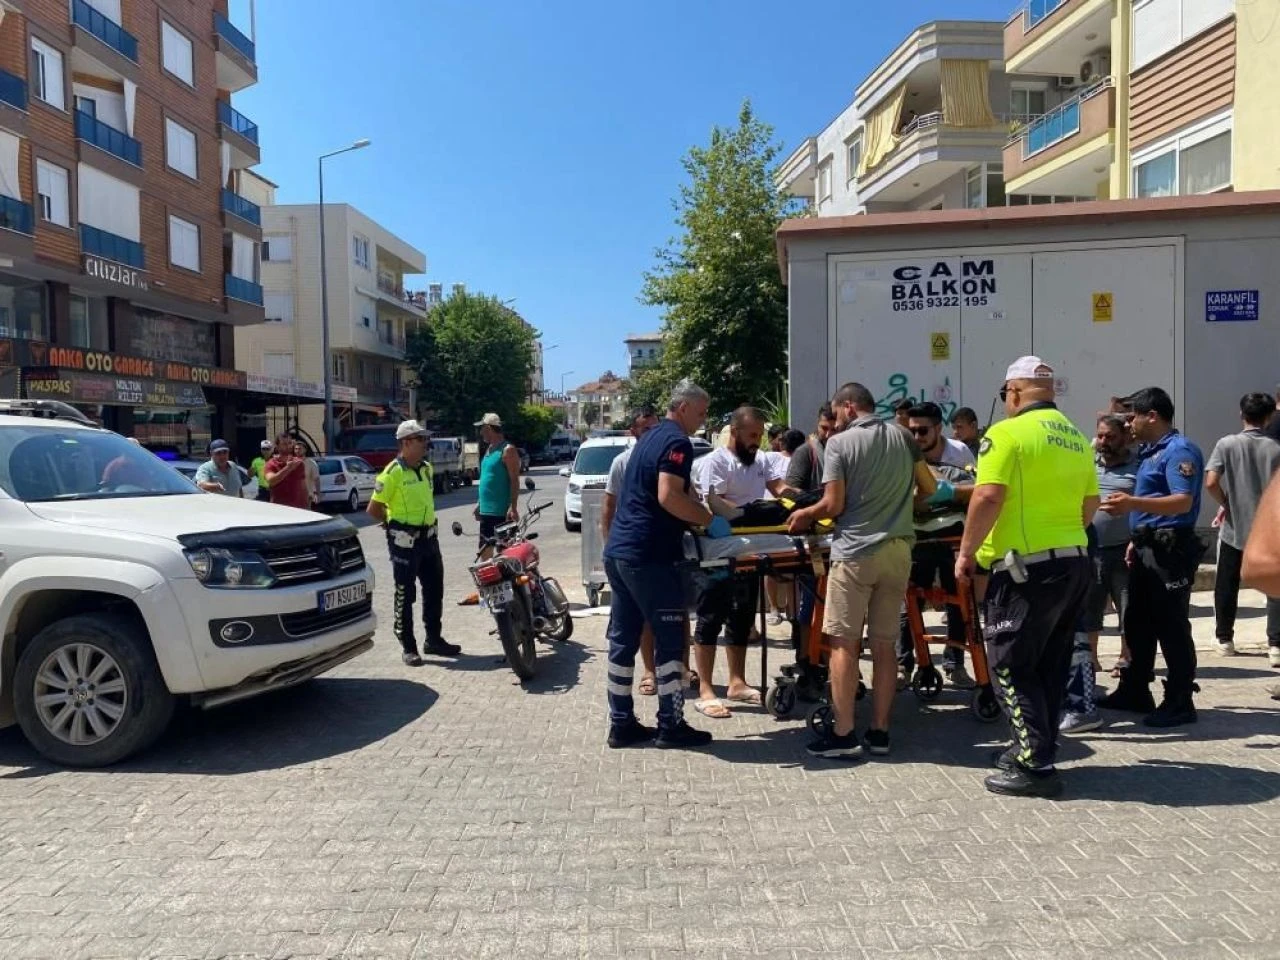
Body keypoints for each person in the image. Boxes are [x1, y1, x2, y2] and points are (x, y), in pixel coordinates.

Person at [955, 357, 1096, 798]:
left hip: (1023, 569)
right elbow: (1090, 504)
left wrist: (967, 552)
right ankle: (1034, 747)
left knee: (1011, 665)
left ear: (1013, 393)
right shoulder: (1075, 438)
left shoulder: (1006, 432)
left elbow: (989, 494)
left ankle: (1034, 764)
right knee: (1049, 665)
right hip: (1073, 560)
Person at [787, 382, 939, 760]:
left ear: (849, 407)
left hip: (855, 552)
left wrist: (805, 513)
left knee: (843, 643)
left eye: (837, 413)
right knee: (885, 645)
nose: (835, 421)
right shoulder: (904, 437)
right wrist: (904, 507)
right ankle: (881, 731)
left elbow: (833, 504)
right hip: (899, 551)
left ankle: (843, 733)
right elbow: (931, 488)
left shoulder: (839, 444)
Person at [603, 379, 725, 750]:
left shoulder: (649, 437)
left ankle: (621, 723)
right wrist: (709, 521)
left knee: (623, 641)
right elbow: (669, 496)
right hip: (651, 556)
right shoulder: (676, 441)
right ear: (684, 407)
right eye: (701, 414)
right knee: (671, 638)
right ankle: (670, 725)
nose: (702, 423)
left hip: (621, 553)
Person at [1096, 386, 1206, 727]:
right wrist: (1135, 535)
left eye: (1132, 417)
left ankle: (1180, 700)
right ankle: (1135, 689)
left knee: (1171, 624)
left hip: (1169, 549)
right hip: (1146, 546)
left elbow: (1181, 501)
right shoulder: (1149, 451)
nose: (1128, 425)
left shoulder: (1178, 451)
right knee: (1137, 621)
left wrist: (1131, 505)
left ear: (1152, 416)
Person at [692, 406, 789, 718]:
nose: (756, 442)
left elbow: (779, 489)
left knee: (743, 617)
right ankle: (706, 688)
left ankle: (737, 682)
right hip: (720, 553)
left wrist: (800, 501)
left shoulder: (760, 460)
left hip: (750, 550)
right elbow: (715, 501)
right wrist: (747, 513)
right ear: (733, 432)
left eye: (759, 436)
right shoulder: (715, 462)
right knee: (710, 618)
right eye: (751, 435)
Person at [897, 402, 976, 690]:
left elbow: (978, 490)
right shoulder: (903, 452)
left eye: (922, 431)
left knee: (958, 601)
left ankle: (955, 662)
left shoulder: (959, 453)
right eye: (911, 431)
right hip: (916, 540)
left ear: (938, 429)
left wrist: (947, 491)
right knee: (909, 603)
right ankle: (903, 665)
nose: (916, 437)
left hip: (953, 540)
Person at [368, 420, 460, 665]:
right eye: (421, 439)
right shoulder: (391, 473)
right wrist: (391, 525)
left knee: (434, 590)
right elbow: (374, 508)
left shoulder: (427, 468)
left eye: (425, 438)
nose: (425, 443)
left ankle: (433, 640)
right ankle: (408, 646)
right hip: (404, 543)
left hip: (429, 538)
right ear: (406, 443)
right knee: (404, 593)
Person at [1206, 393, 1280, 663]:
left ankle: (1224, 638)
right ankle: (1276, 643)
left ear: (1242, 414)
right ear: (1269, 416)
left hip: (1234, 527)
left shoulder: (1226, 444)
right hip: (1269, 528)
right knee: (1275, 584)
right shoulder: (1276, 448)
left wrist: (1226, 502)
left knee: (1226, 583)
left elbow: (1211, 482)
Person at [602, 406, 661, 691]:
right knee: (641, 617)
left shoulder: (668, 458)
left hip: (665, 548)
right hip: (632, 553)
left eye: (655, 427)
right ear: (633, 432)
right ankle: (649, 671)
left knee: (677, 613)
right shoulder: (621, 463)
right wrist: (609, 548)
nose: (652, 433)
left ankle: (683, 669)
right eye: (646, 428)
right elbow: (608, 508)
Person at [1086, 414, 1139, 681]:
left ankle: (1125, 657)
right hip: (1092, 548)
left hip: (1124, 550)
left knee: (1128, 609)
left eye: (1111, 437)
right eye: (1101, 436)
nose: (1104, 441)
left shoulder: (1137, 464)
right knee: (1090, 607)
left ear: (1125, 438)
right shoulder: (1088, 460)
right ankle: (1091, 659)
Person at [474, 412, 522, 558]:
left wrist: (512, 507)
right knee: (484, 552)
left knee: (506, 554)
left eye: (482, 428)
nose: (481, 432)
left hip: (502, 513)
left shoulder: (508, 450)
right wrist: (479, 504)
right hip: (486, 513)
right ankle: (493, 581)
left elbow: (514, 480)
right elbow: (486, 479)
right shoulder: (488, 450)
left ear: (489, 428)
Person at [785, 404, 836, 494]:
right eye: (824, 428)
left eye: (834, 430)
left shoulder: (846, 451)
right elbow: (790, 489)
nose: (828, 435)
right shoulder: (805, 452)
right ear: (817, 424)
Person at [264, 435, 311, 510]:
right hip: (279, 510)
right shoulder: (271, 464)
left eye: (289, 443)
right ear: (277, 446)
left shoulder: (298, 463)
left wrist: (308, 507)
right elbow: (271, 481)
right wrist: (288, 468)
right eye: (284, 444)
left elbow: (303, 487)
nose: (288, 446)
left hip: (299, 510)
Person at [296, 439, 320, 508]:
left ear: (305, 450)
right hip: (294, 495)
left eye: (300, 449)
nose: (297, 450)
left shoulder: (311, 463)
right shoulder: (291, 462)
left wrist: (317, 494)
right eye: (296, 449)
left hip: (307, 495)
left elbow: (317, 479)